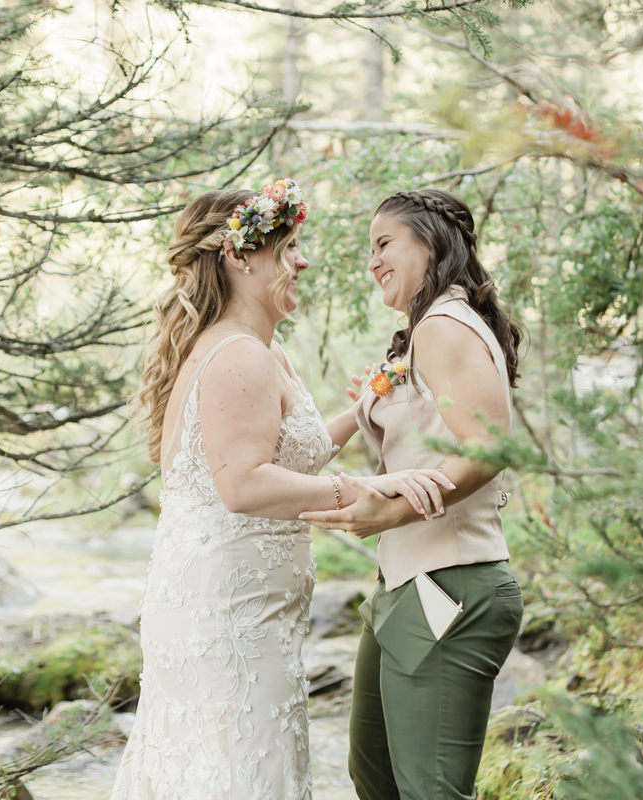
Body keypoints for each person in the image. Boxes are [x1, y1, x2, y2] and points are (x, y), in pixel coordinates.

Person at [109, 180, 451, 800]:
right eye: (290, 246)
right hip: (226, 616)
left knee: (237, 760)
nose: (304, 260)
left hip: (244, 609)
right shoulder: (239, 355)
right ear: (240, 258)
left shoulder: (265, 350)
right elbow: (242, 484)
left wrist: (370, 401)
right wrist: (375, 484)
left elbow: (297, 449)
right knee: (240, 770)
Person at [300, 189, 525, 800]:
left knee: (429, 792)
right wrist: (373, 403)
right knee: (373, 777)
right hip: (403, 586)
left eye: (383, 244)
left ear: (429, 244)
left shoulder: (444, 326)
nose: (371, 261)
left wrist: (387, 511)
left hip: (450, 585)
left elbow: (492, 446)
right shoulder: (425, 330)